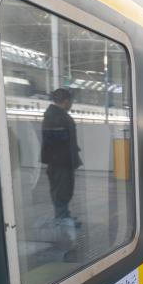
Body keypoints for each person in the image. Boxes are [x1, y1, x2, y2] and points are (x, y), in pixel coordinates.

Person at [40, 88, 82, 221]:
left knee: (64, 188)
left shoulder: (57, 115)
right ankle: (61, 217)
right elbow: (59, 142)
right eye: (71, 101)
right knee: (61, 190)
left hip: (61, 160)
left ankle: (64, 215)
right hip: (60, 161)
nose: (71, 104)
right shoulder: (56, 117)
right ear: (66, 101)